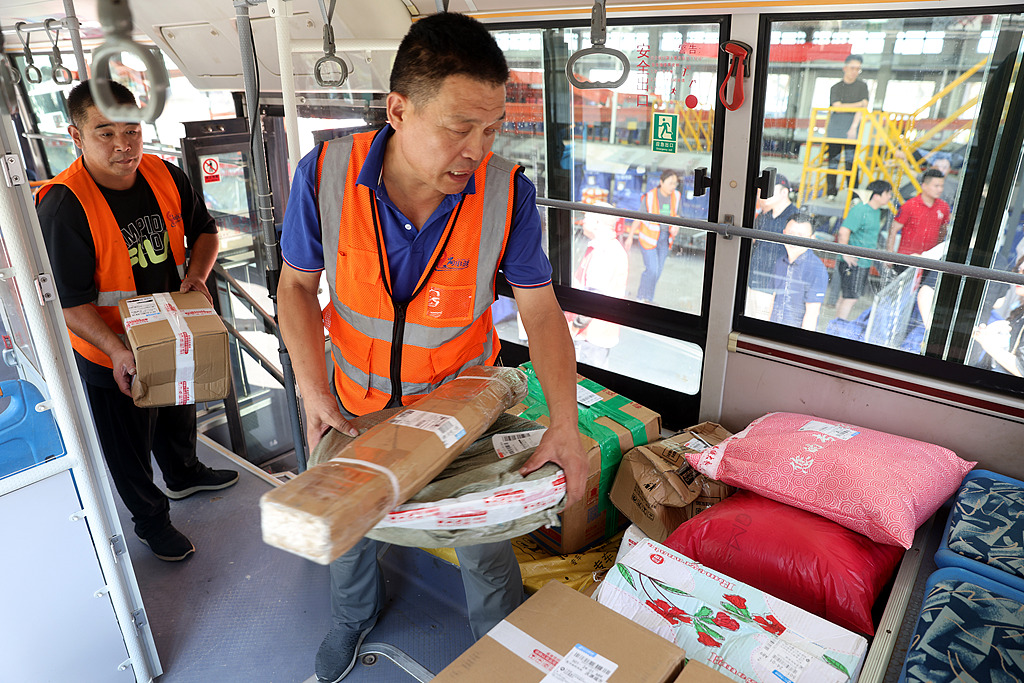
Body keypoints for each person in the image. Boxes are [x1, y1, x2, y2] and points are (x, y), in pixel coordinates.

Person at [276, 14, 588, 683]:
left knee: (481, 539)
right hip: (351, 403)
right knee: (348, 528)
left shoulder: (509, 194)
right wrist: (311, 386)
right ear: (398, 109)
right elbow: (296, 288)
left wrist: (567, 422)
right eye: (460, 126)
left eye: (493, 126)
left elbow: (540, 309)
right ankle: (351, 617)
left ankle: (502, 646)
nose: (479, 147)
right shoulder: (324, 174)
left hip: (459, 413)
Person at [36, 80, 237, 562]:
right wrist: (117, 351)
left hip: (170, 328)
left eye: (132, 130)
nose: (123, 145)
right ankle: (151, 522)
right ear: (75, 135)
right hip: (109, 345)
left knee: (177, 409)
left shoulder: (165, 175)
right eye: (104, 132)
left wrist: (195, 276)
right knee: (128, 441)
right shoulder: (64, 206)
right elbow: (69, 302)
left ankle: (185, 474)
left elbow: (205, 233)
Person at [886, 168, 951, 329]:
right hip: (906, 260)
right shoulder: (910, 205)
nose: (940, 189)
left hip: (929, 261)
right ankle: (893, 328)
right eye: (936, 186)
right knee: (900, 298)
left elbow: (944, 230)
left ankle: (909, 330)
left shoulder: (943, 207)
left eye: (941, 186)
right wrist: (889, 255)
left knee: (923, 299)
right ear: (924, 186)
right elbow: (893, 229)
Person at [569, 203, 628, 368]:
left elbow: (593, 298)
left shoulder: (604, 252)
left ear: (597, 222)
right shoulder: (605, 248)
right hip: (594, 335)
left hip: (590, 336)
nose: (582, 221)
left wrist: (574, 327)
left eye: (586, 217)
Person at [835, 180, 892, 320]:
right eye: (888, 193)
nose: (890, 197)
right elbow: (843, 231)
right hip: (854, 262)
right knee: (851, 298)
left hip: (863, 262)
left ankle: (835, 325)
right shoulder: (861, 209)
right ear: (877, 195)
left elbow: (870, 237)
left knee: (846, 296)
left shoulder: (876, 211)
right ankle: (839, 327)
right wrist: (845, 254)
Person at [747, 174, 798, 319]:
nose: (761, 194)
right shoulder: (764, 216)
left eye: (768, 189)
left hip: (776, 288)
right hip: (754, 281)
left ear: (784, 192)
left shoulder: (795, 220)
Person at [626, 169, 681, 303]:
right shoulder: (649, 197)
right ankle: (641, 297)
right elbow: (638, 217)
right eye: (670, 183)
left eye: (675, 184)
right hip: (648, 238)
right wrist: (630, 236)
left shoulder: (676, 196)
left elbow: (677, 215)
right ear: (661, 182)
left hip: (665, 238)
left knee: (658, 271)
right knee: (652, 270)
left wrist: (676, 226)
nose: (673, 186)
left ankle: (648, 299)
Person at [771, 213, 829, 331]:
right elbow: (772, 301)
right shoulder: (780, 262)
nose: (794, 240)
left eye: (801, 235)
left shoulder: (816, 270)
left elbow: (811, 315)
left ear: (812, 239)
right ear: (783, 233)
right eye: (791, 234)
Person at [825, 54, 870, 200]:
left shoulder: (862, 86)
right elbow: (837, 107)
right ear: (845, 68)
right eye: (852, 68)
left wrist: (853, 128)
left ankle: (854, 196)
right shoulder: (835, 88)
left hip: (852, 131)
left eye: (858, 69)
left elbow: (863, 109)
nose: (855, 72)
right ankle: (831, 193)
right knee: (833, 163)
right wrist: (859, 104)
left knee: (851, 164)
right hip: (835, 130)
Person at [972, 255, 1024, 377]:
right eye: (1018, 270)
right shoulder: (1019, 313)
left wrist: (987, 343)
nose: (1019, 275)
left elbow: (1021, 368)